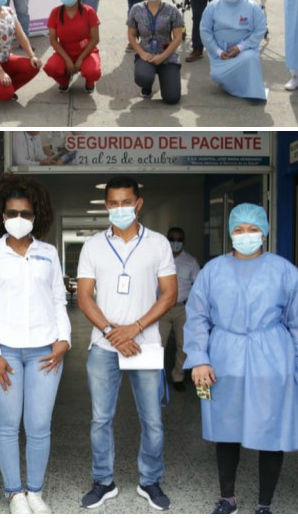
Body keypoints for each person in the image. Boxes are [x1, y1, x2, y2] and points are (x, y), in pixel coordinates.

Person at [183, 203, 298, 515]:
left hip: (273, 359)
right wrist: (199, 359)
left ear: (264, 231)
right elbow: (197, 317)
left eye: (252, 229)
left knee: (272, 432)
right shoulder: (212, 271)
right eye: (239, 229)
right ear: (230, 233)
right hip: (224, 358)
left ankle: (264, 503)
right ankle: (228, 498)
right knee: (225, 430)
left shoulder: (286, 272)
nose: (246, 235)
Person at [76, 176, 178, 512]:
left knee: (152, 420)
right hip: (104, 346)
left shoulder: (159, 244)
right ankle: (103, 481)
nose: (120, 208)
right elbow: (84, 296)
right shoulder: (92, 246)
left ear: (138, 203)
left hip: (145, 344)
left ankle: (150, 481)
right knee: (100, 419)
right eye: (113, 203)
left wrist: (134, 328)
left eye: (126, 202)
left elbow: (170, 294)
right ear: (106, 206)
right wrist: (110, 331)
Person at [0, 174, 71, 514]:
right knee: (8, 424)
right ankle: (15, 493)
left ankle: (35, 492)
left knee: (40, 425)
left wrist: (64, 339)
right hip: (5, 352)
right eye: (12, 212)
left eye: (25, 213)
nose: (18, 219)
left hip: (46, 351)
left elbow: (59, 299)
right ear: (1, 214)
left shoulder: (48, 252)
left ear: (36, 215)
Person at [200, 0, 267, 101]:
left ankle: (252, 92)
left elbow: (260, 29)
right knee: (217, 75)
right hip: (221, 52)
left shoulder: (252, 7)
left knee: (250, 58)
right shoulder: (213, 6)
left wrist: (241, 47)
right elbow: (205, 30)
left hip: (244, 50)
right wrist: (218, 51)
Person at [127, 0, 185, 104]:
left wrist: (162, 56)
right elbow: (131, 34)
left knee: (172, 98)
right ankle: (146, 86)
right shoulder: (136, 9)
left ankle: (167, 77)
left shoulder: (172, 10)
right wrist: (141, 53)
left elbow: (177, 37)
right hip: (146, 54)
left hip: (167, 55)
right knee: (143, 77)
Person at [158, 227, 201, 391]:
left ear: (183, 241)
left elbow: (199, 286)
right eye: (172, 239)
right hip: (161, 307)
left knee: (183, 345)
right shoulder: (159, 259)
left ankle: (178, 377)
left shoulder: (191, 262)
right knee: (157, 344)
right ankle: (156, 377)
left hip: (182, 308)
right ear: (167, 239)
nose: (175, 243)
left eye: (179, 240)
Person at [43, 0, 101, 94]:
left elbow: (95, 39)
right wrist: (67, 59)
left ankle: (90, 82)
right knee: (51, 68)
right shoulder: (55, 13)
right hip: (65, 52)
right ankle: (64, 81)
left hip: (87, 52)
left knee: (93, 72)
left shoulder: (89, 11)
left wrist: (80, 58)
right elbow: (53, 41)